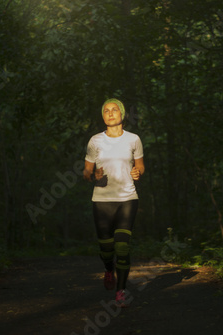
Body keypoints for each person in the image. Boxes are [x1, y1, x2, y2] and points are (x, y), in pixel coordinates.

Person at [83, 98, 145, 307]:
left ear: (122, 114)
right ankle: (109, 270)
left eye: (114, 110)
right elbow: (86, 172)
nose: (110, 113)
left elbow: (140, 166)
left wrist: (137, 172)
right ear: (103, 116)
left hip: (127, 198)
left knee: (123, 246)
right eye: (106, 111)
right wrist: (93, 174)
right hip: (101, 200)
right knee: (106, 248)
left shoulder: (133, 139)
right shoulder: (95, 141)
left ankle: (121, 291)